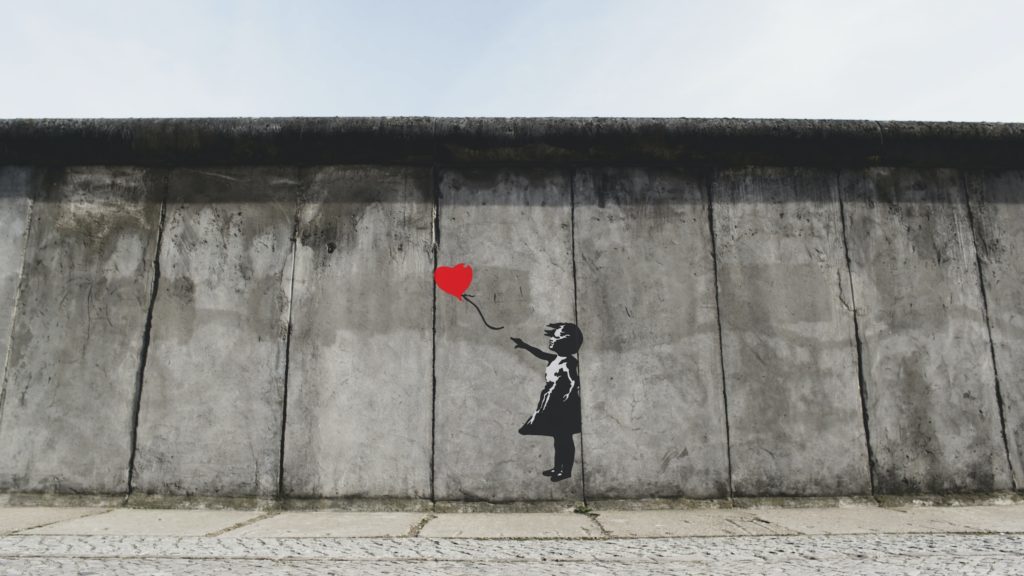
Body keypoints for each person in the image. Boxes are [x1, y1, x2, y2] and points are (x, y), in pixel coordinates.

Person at [511, 323, 583, 482]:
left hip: (562, 402)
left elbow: (574, 381)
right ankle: (558, 468)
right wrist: (524, 345)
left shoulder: (568, 362)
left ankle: (565, 471)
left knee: (564, 438)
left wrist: (568, 396)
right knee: (558, 439)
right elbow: (539, 353)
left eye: (555, 337)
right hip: (551, 398)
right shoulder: (555, 358)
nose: (551, 340)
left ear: (566, 341)